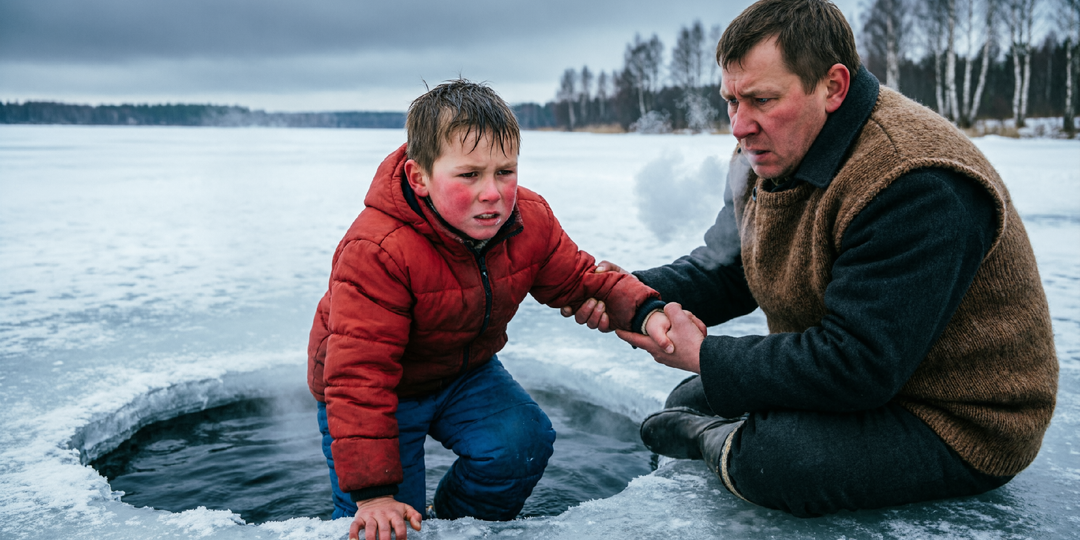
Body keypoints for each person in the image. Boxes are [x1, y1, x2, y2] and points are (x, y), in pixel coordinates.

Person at [564, 0, 1057, 517]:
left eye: (761, 99)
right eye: (730, 100)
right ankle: (733, 432)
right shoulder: (772, 147)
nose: (738, 125)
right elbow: (729, 267)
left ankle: (731, 445)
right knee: (690, 399)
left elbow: (859, 363)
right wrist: (634, 291)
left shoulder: (914, 182)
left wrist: (706, 355)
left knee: (777, 458)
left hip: (955, 417)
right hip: (868, 384)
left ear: (834, 87)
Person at [306, 79, 673, 540]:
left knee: (521, 441)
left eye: (505, 171)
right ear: (420, 177)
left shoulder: (529, 220)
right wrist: (375, 493)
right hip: (381, 388)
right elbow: (358, 374)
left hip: (462, 370)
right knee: (387, 520)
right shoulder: (378, 249)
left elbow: (579, 278)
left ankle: (458, 525)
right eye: (469, 174)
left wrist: (644, 311)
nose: (493, 192)